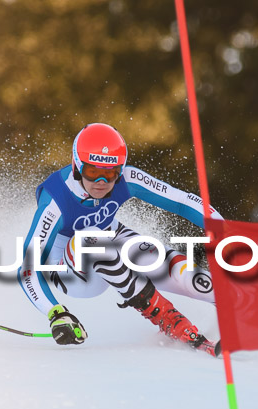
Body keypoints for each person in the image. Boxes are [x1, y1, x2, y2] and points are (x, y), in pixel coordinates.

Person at [17, 123, 223, 356]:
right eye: (92, 172)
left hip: (109, 241)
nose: (101, 182)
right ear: (76, 166)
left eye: (111, 173)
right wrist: (56, 313)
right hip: (72, 272)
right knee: (91, 240)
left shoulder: (126, 177)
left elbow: (180, 201)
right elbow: (28, 269)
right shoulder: (55, 200)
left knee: (165, 262)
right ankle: (167, 318)